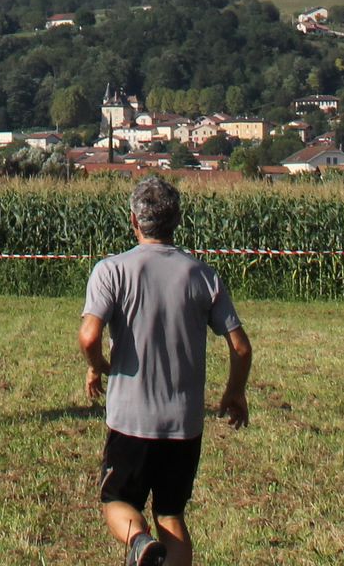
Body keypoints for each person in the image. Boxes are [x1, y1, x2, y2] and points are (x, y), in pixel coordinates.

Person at [78, 174, 252, 566]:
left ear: (133, 220)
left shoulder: (111, 270)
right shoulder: (202, 275)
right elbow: (241, 347)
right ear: (177, 220)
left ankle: (139, 543)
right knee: (171, 514)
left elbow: (89, 336)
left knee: (117, 499)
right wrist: (234, 391)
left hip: (131, 421)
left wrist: (98, 366)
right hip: (184, 424)